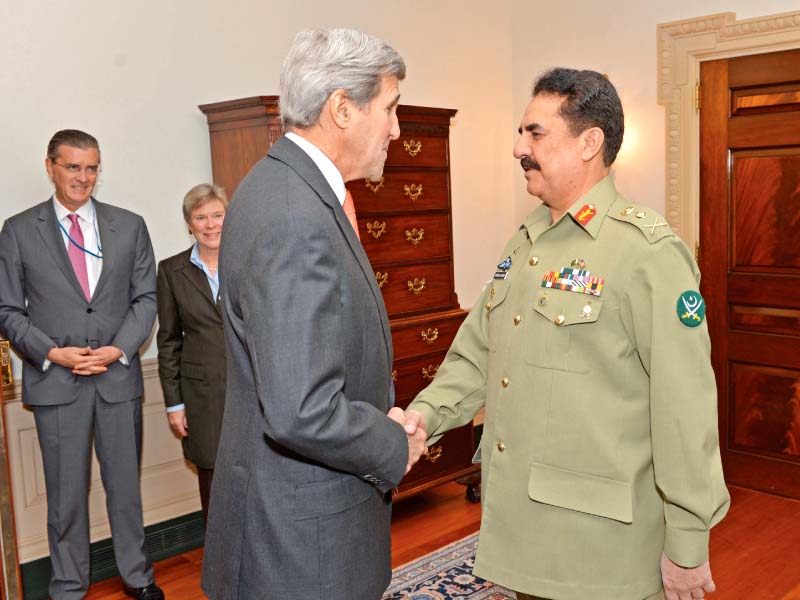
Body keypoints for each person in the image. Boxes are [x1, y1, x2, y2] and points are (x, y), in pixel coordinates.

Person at [406, 69, 730, 600]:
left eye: (534, 134)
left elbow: (684, 408)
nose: (517, 149)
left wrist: (688, 541)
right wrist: (424, 417)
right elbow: (479, 352)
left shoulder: (646, 252)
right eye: (521, 134)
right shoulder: (526, 241)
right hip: (525, 531)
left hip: (602, 549)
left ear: (589, 143)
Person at [201, 28, 427, 600]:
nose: (397, 129)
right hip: (304, 548)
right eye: (390, 107)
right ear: (343, 108)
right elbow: (301, 410)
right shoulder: (294, 218)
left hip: (298, 520)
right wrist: (392, 443)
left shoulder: (282, 189)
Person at [0, 130, 163, 600]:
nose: (83, 177)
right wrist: (51, 352)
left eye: (91, 167)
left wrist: (118, 349)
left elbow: (145, 299)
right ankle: (68, 586)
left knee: (125, 488)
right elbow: (8, 309)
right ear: (50, 166)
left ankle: (138, 576)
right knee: (65, 495)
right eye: (73, 167)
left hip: (117, 376)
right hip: (56, 380)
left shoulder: (129, 225)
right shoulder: (17, 230)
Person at [156, 183, 228, 526]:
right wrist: (174, 404)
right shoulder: (171, 271)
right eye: (201, 217)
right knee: (213, 479)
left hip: (252, 390)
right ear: (189, 223)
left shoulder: (249, 261)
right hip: (203, 397)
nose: (211, 224)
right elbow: (168, 340)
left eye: (217, 215)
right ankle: (221, 567)